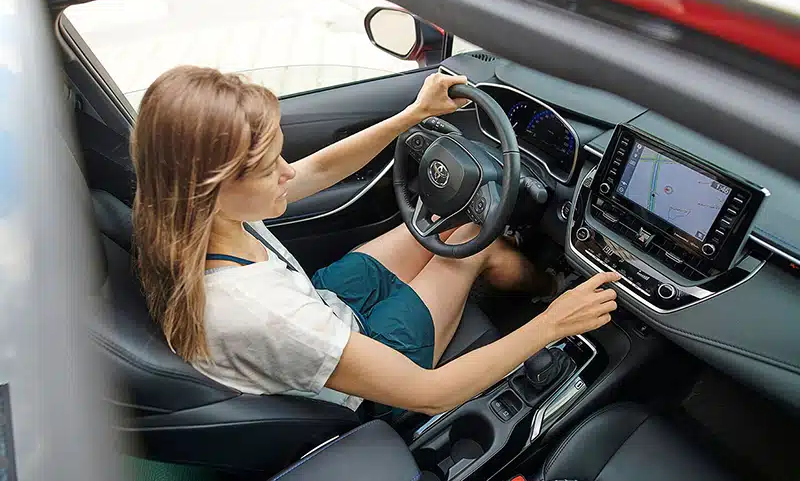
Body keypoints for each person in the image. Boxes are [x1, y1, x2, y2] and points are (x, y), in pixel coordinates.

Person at [130, 65, 619, 416]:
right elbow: (431, 393)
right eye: (267, 169)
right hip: (362, 373)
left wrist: (414, 114)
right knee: (477, 237)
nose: (286, 173)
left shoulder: (180, 213)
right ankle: (553, 287)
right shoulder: (259, 311)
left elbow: (318, 169)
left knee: (445, 222)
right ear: (210, 186)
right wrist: (554, 324)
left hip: (323, 304)